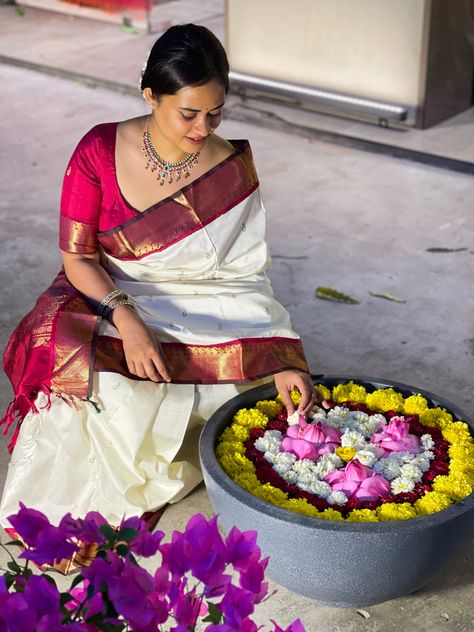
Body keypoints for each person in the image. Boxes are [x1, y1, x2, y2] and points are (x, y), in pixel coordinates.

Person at [0, 24, 317, 534]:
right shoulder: (99, 149)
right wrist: (127, 319)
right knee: (80, 369)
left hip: (204, 304)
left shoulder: (230, 171)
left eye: (216, 113)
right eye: (188, 113)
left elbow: (244, 278)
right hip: (108, 289)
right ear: (150, 94)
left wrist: (280, 356)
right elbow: (79, 258)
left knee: (259, 390)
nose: (203, 128)